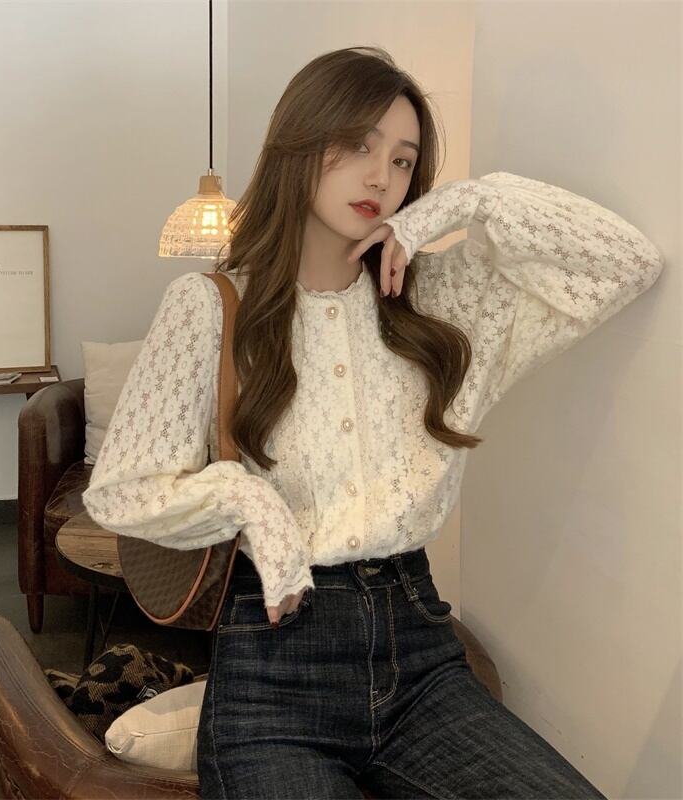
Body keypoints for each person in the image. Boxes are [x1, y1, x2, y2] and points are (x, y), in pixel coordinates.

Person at [82, 46, 663, 799]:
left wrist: (459, 205)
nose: (380, 176)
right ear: (299, 141)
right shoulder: (209, 307)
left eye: (402, 159)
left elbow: (628, 263)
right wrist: (253, 503)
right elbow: (122, 489)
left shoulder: (442, 302)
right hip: (274, 664)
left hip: (421, 654)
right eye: (356, 144)